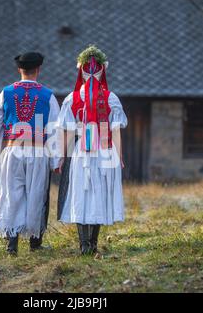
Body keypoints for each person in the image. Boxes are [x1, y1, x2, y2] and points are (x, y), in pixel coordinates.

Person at [57, 45, 128, 255]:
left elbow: (69, 132)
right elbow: (115, 132)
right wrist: (120, 157)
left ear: (80, 70)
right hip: (105, 150)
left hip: (82, 152)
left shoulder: (72, 98)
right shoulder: (111, 98)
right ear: (103, 71)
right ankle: (93, 244)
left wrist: (62, 156)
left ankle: (84, 245)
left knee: (81, 193)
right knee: (100, 193)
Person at [0, 52, 60, 255]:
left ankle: (12, 244)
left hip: (12, 151)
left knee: (13, 195)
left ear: (19, 70)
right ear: (38, 69)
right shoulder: (48, 96)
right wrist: (56, 160)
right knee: (37, 195)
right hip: (38, 151)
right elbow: (55, 129)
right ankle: (35, 244)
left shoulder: (6, 93)